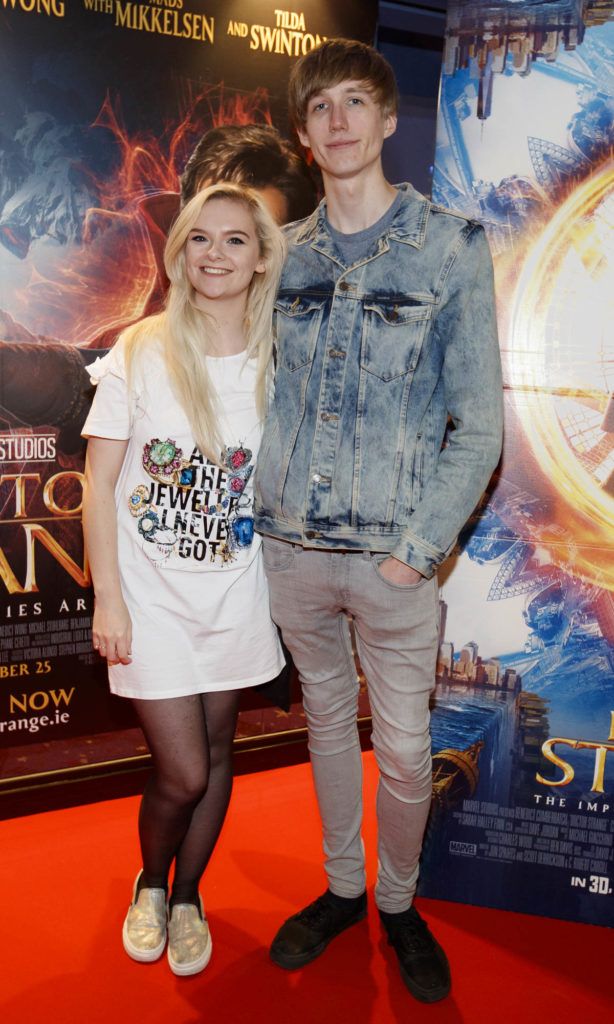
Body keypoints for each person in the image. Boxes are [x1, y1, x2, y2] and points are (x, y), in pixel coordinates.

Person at [254, 40, 503, 1004]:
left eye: (356, 103)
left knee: (402, 749)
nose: (340, 122)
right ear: (305, 132)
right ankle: (343, 888)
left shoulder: (451, 246)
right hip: (291, 551)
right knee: (323, 726)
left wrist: (416, 551)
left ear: (389, 119)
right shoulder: (286, 253)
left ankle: (398, 904)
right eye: (320, 108)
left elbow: (478, 422)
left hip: (395, 559)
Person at [81, 182, 286, 976]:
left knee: (220, 752)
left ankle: (191, 896)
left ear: (261, 255)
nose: (215, 255)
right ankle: (152, 884)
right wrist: (109, 599)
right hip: (150, 601)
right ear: (179, 252)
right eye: (200, 239)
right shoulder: (142, 348)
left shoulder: (281, 359)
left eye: (236, 240)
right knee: (185, 769)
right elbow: (98, 485)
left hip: (237, 594)